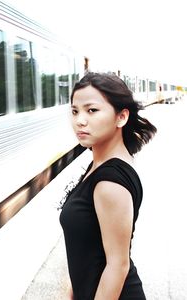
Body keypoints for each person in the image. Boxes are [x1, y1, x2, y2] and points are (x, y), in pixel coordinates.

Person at [59, 72, 157, 299]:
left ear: (121, 117)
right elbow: (89, 252)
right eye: (75, 111)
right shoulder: (102, 164)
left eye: (91, 110)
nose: (80, 120)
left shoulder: (109, 183)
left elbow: (117, 266)